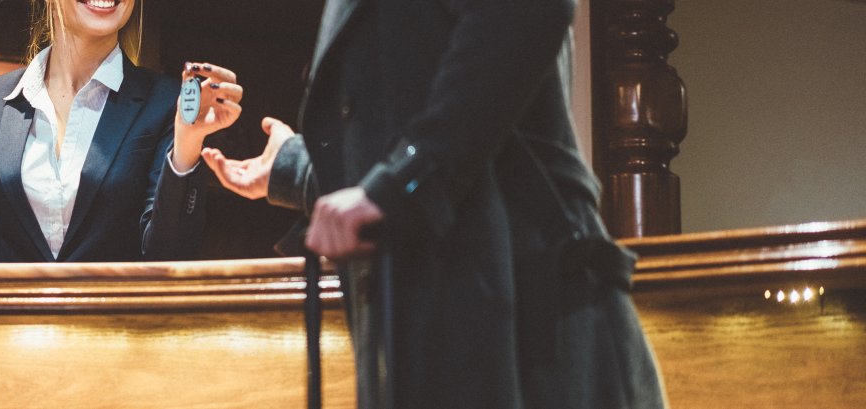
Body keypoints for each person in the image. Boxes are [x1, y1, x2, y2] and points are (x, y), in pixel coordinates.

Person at [199, 0, 668, 407]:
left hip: (529, 330)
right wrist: (297, 170)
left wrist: (400, 183)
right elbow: (416, 125)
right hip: (447, 325)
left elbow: (528, 10)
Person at [0, 0, 243, 262]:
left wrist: (188, 143)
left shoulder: (166, 103)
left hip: (113, 315)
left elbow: (167, 257)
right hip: (15, 315)